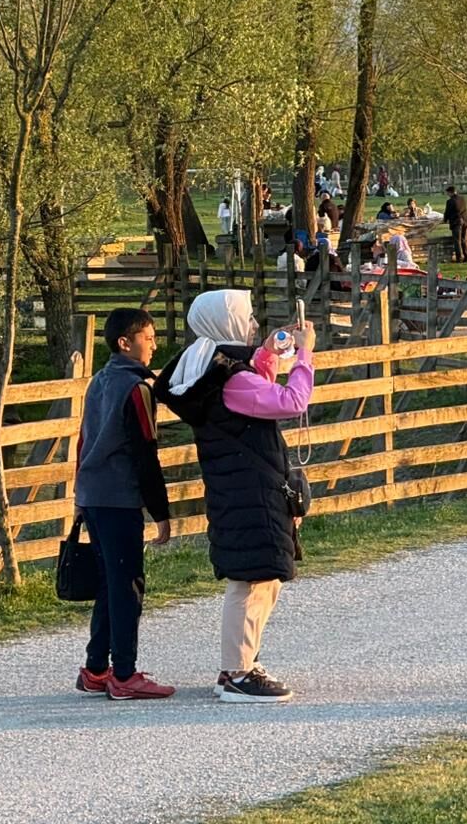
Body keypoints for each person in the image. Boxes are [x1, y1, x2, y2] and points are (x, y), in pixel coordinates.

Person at [156, 290, 313, 703]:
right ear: (227, 323)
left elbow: (257, 392)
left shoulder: (216, 372)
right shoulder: (231, 380)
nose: (254, 325)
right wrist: (305, 357)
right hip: (250, 491)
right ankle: (237, 674)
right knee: (252, 579)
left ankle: (241, 663)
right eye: (247, 318)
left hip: (241, 488)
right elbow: (291, 401)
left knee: (262, 578)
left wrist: (268, 354)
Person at [72, 308, 175, 701]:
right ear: (124, 343)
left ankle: (96, 668)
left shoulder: (98, 381)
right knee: (128, 584)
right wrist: (160, 512)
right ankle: (125, 674)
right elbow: (145, 453)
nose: (153, 345)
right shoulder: (136, 390)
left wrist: (79, 496)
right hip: (119, 498)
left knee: (108, 582)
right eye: (147, 338)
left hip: (92, 494)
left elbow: (83, 441)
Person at [444, 184, 467, 262]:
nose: (447, 195)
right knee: (463, 239)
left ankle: (459, 258)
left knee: (457, 241)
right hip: (465, 221)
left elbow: (447, 212)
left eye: (448, 193)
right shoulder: (463, 198)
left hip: (456, 222)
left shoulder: (450, 201)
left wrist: (445, 219)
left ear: (450, 192)